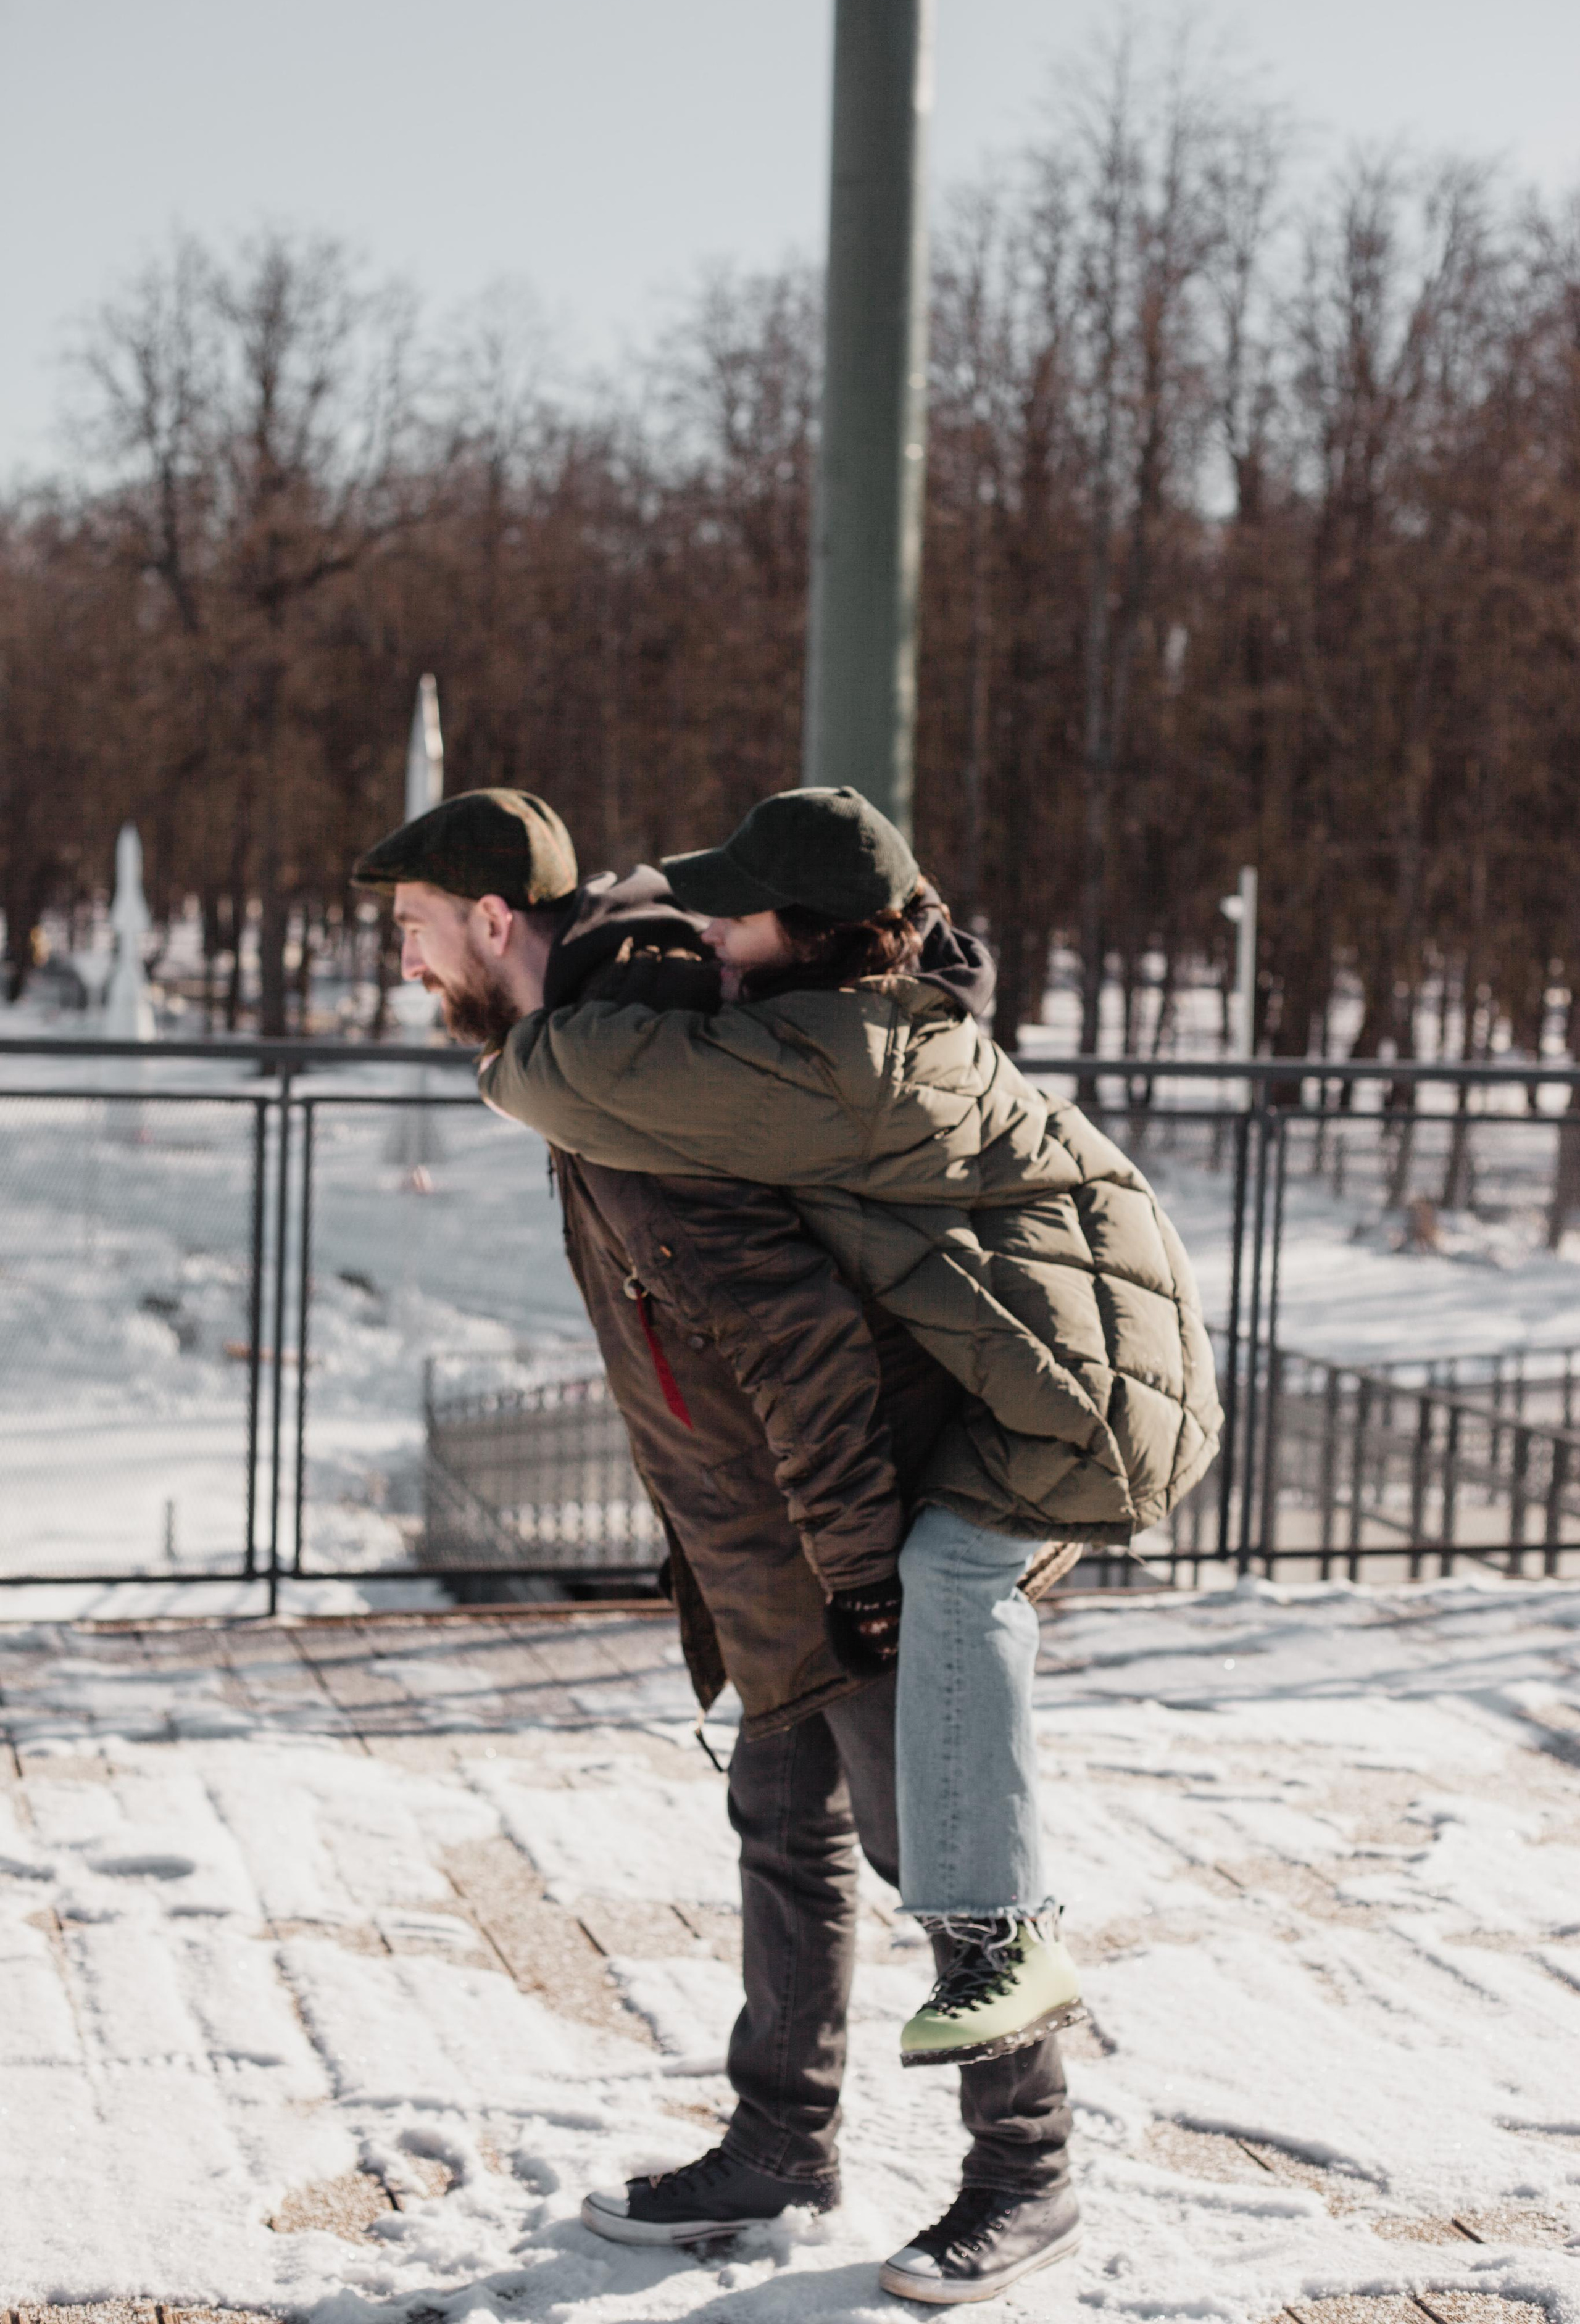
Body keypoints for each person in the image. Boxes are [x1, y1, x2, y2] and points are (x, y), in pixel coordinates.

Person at [353, 787, 1084, 2305]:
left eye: (415, 931)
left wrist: (861, 1574)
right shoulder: (606, 1051)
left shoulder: (634, 1079)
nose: (404, 964)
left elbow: (798, 1343)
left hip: (843, 1526)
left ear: (492, 919)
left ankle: (1027, 2170)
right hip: (770, 1535)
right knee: (783, 1826)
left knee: (938, 1850)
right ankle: (780, 2143)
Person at [476, 783, 1221, 2064]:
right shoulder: (857, 1018)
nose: (707, 926)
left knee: (950, 1583)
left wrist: (558, 1024)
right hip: (1070, 1358)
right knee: (905, 1646)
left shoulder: (838, 1066)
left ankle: (1004, 1948)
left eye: (736, 910)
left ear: (814, 930)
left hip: (1090, 1403)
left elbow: (554, 1073)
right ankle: (868, 2076)